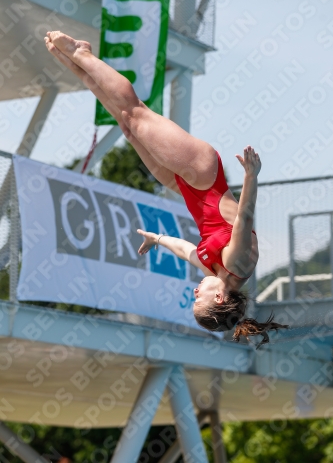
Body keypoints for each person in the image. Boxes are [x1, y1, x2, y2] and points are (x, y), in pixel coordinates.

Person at [44, 31, 288, 348]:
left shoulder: (213, 269)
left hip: (181, 184)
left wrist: (156, 239)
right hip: (202, 174)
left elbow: (184, 249)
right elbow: (244, 219)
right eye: (197, 298)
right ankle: (81, 53)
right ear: (219, 296)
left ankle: (78, 67)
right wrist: (252, 175)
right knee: (135, 112)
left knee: (128, 128)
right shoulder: (238, 265)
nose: (194, 291)